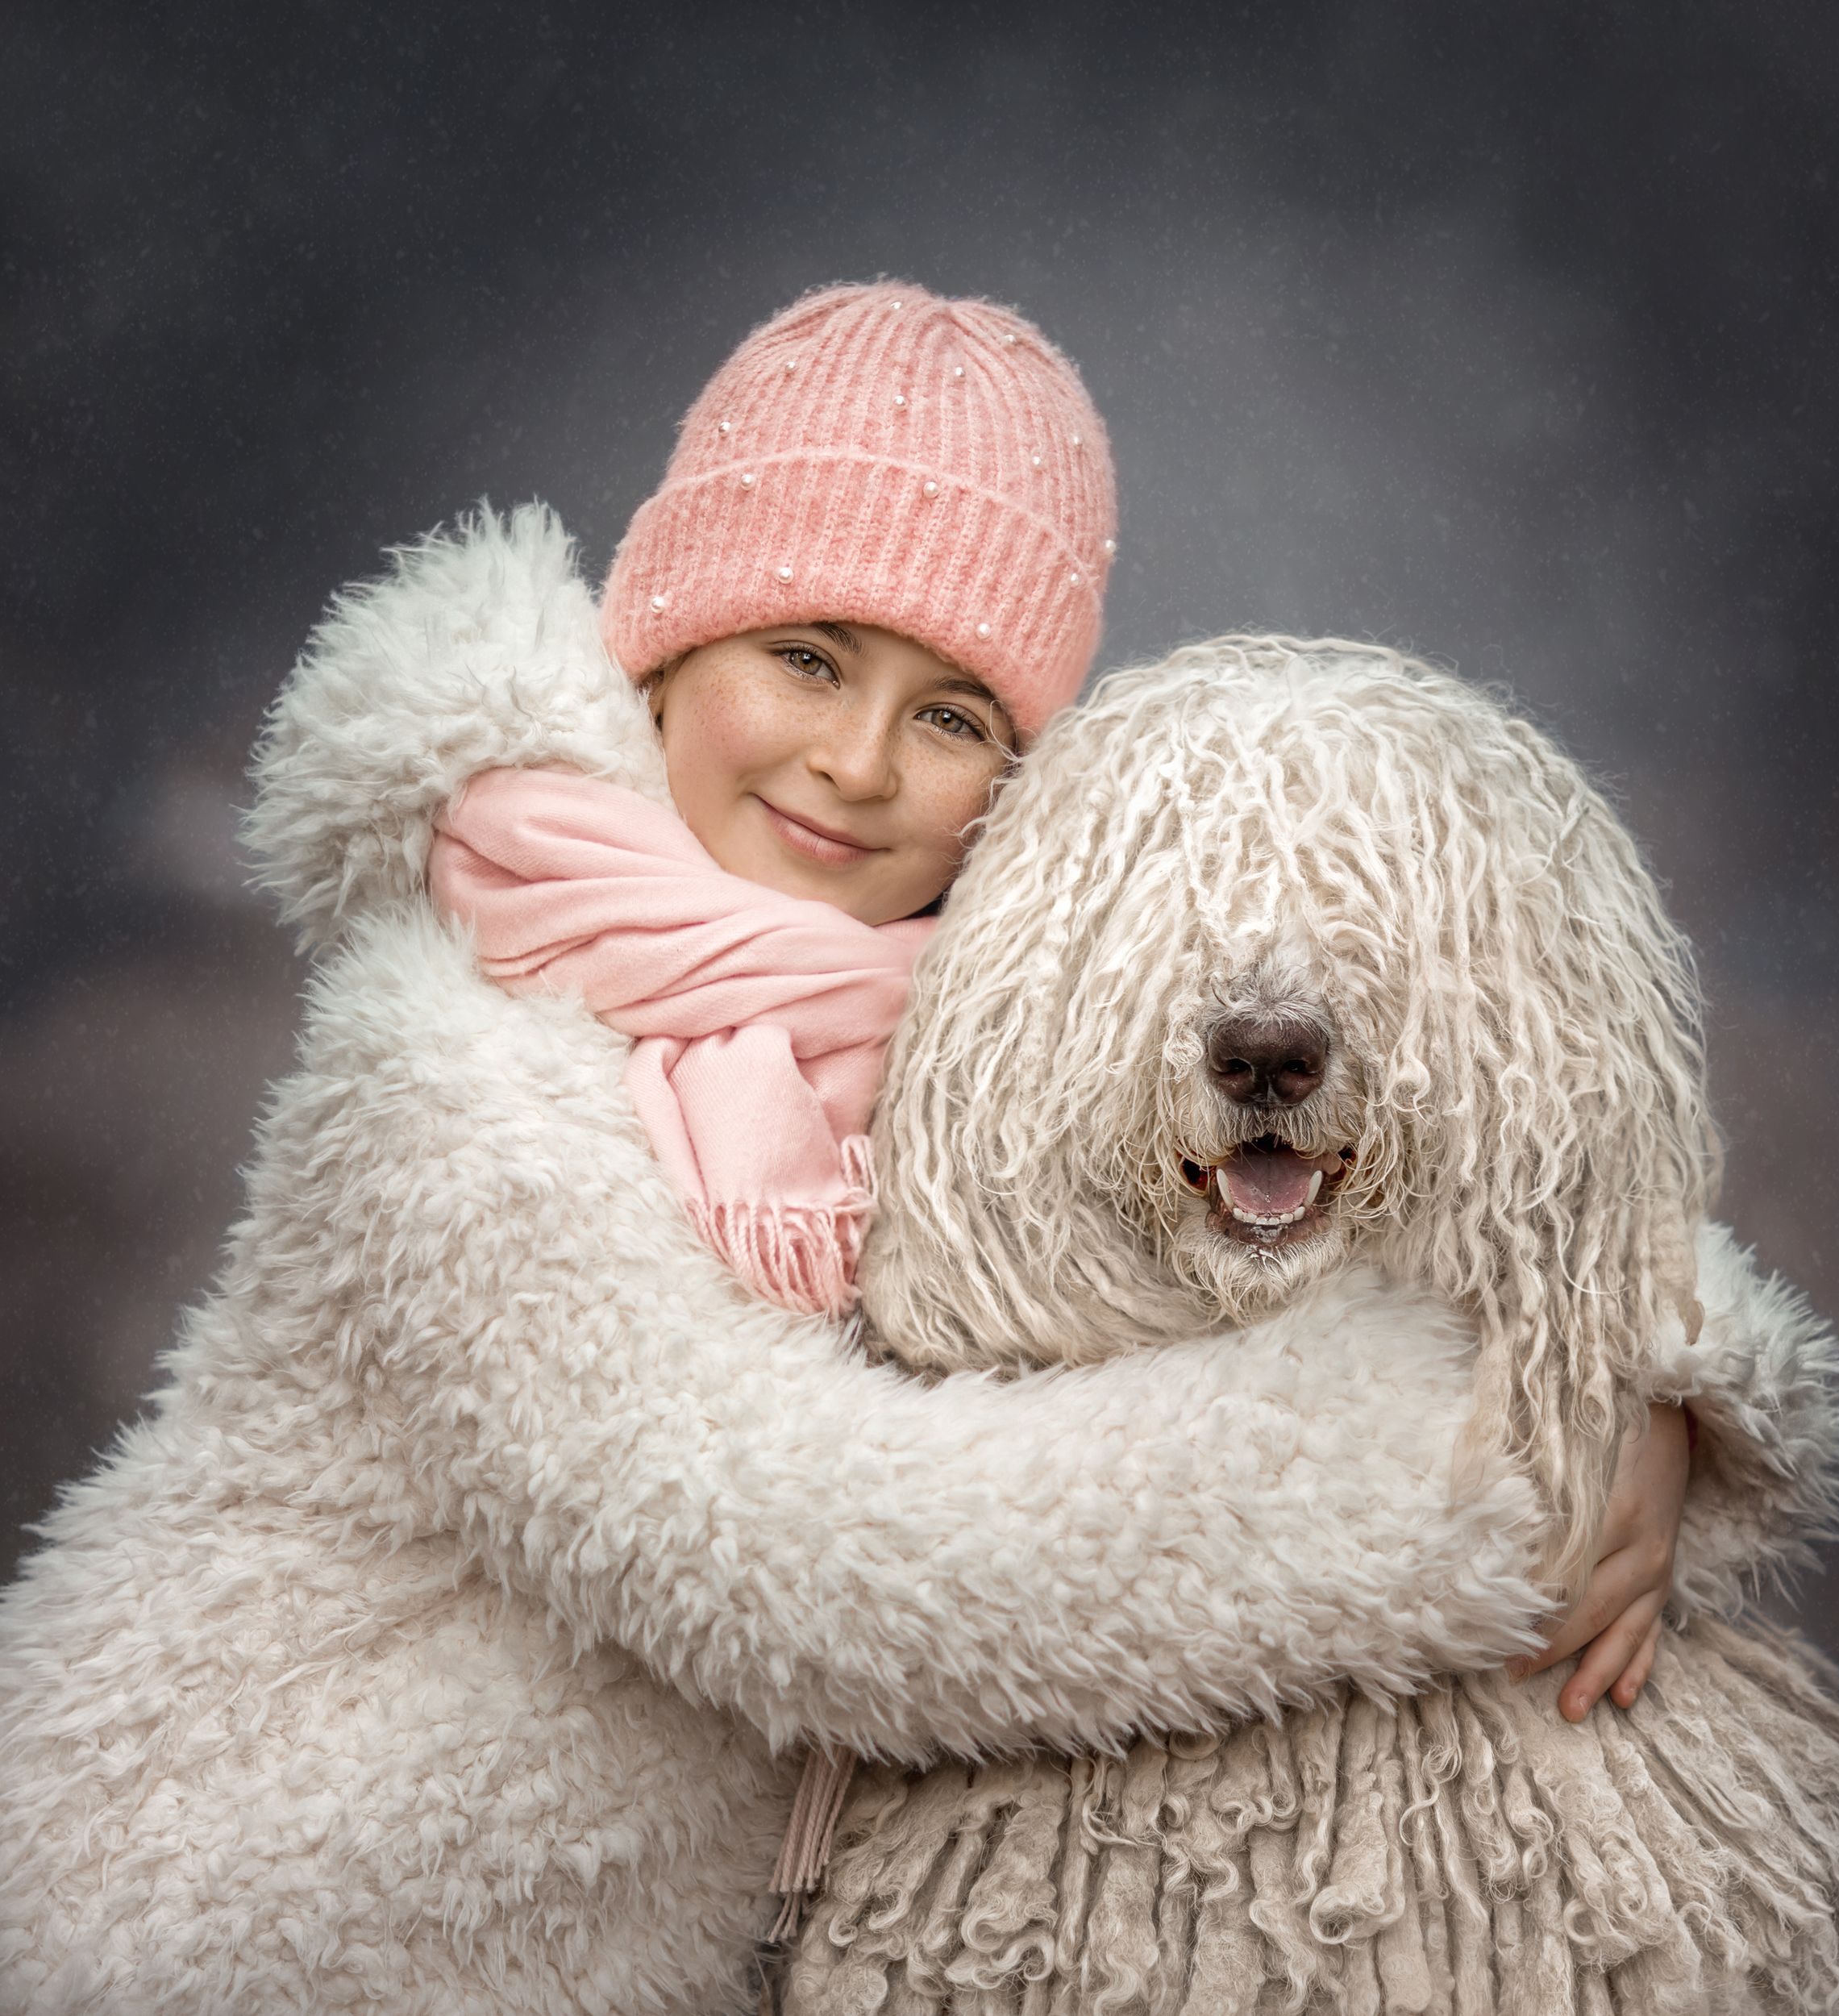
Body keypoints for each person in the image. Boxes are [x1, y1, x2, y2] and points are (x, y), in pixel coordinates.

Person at [434, 280, 1691, 1721]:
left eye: (954, 716)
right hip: (363, 1926)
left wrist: (1649, 1389)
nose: (858, 762)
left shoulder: (969, 1023)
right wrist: (1504, 1478)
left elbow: (1499, 1180)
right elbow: (820, 1583)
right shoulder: (465, 1084)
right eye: (804, 659)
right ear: (659, 652)